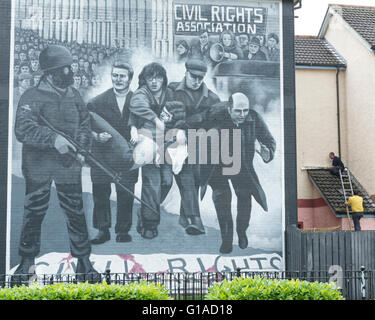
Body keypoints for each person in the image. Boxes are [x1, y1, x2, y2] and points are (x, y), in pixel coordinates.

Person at [13, 45, 99, 280]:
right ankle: (27, 264)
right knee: (34, 211)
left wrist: (82, 147)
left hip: (68, 165)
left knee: (75, 211)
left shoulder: (74, 94)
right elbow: (22, 128)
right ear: (51, 72)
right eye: (65, 69)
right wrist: (53, 139)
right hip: (39, 165)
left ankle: (83, 263)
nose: (70, 72)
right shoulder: (31, 96)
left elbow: (84, 123)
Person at [202, 92, 276, 254]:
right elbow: (196, 129)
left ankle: (242, 232)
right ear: (229, 109)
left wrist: (267, 152)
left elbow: (269, 140)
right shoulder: (214, 115)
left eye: (245, 110)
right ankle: (226, 240)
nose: (242, 115)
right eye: (238, 111)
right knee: (222, 199)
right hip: (217, 166)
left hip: (242, 165)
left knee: (245, 197)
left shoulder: (254, 118)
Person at [88, 60, 138, 245]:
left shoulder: (139, 102)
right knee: (101, 191)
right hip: (102, 154)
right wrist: (96, 136)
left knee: (126, 192)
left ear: (130, 78)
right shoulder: (96, 102)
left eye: (122, 76)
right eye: (115, 75)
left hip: (128, 155)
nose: (118, 79)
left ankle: (123, 230)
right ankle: (102, 230)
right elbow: (83, 126)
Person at [168, 58, 221, 235]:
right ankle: (196, 220)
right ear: (186, 72)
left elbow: (218, 125)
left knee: (195, 179)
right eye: (193, 77)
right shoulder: (171, 91)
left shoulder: (212, 98)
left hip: (201, 145)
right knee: (187, 176)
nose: (197, 81)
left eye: (201, 78)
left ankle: (184, 217)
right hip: (175, 143)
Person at [129, 62, 174, 239]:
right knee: (152, 184)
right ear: (145, 79)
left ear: (164, 79)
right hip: (148, 142)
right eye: (150, 78)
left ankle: (146, 209)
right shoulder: (141, 93)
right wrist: (155, 119)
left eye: (158, 77)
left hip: (167, 143)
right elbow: (136, 107)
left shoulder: (169, 93)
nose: (154, 82)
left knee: (167, 182)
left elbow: (177, 117)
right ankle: (150, 224)